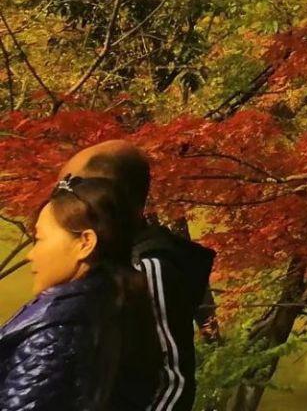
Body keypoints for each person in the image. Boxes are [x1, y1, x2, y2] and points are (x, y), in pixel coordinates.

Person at [61, 140, 214, 411]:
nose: (61, 197)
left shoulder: (149, 267)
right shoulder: (99, 260)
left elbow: (172, 379)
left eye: (71, 184)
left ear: (106, 193)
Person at [0, 173, 152, 411]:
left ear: (84, 243)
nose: (31, 254)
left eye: (39, 239)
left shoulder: (56, 336)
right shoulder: (113, 302)